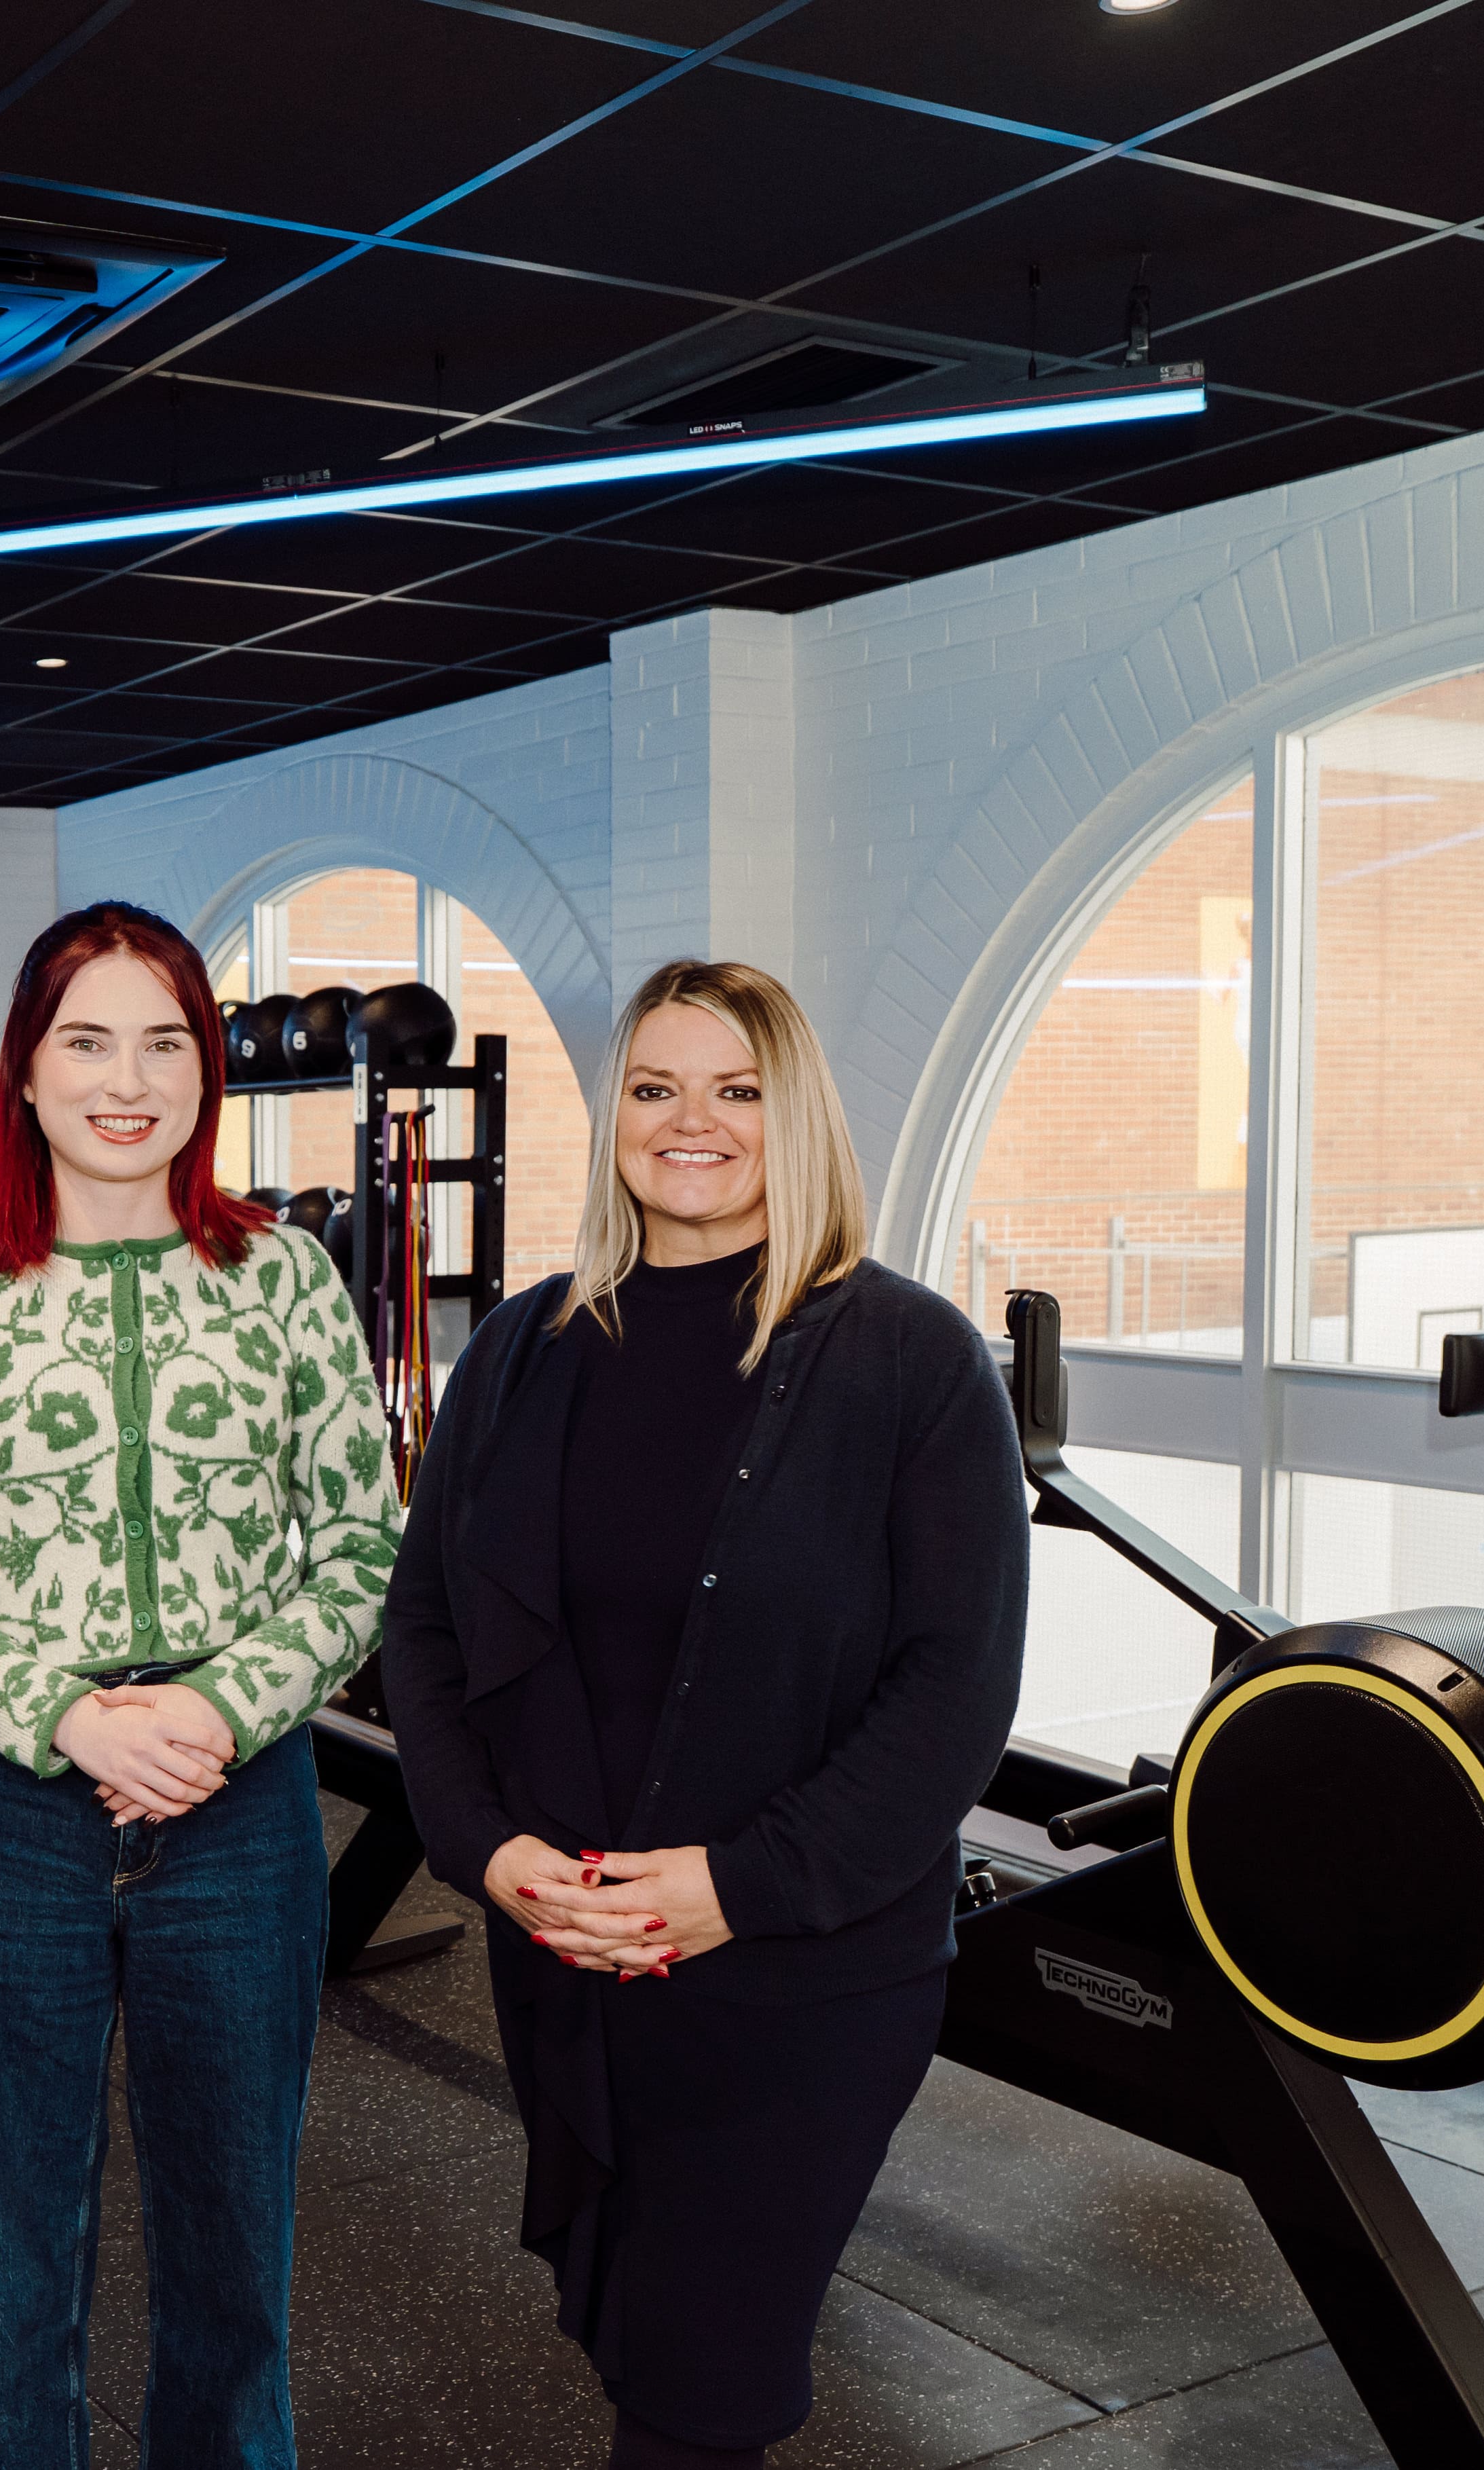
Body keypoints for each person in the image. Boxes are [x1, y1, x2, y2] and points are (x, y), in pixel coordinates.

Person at [379, 960, 1026, 2470]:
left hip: (801, 1974)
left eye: (738, 1089)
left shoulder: (910, 1357)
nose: (694, 1121)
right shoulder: (522, 1348)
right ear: (614, 1115)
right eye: (656, 1087)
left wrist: (737, 1885)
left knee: (702, 2386)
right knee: (636, 2331)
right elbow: (426, 1625)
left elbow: (956, 1685)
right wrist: (489, 1851)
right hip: (567, 1948)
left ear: (795, 1117)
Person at [0, 903, 396, 2470]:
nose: (127, 1079)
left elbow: (361, 1541)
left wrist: (221, 1708)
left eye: (165, 1042)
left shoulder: (282, 1277)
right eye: (87, 1040)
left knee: (236, 2250)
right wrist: (69, 1714)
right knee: (9, 2247)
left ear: (207, 1070)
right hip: (10, 1811)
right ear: (24, 1069)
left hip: (241, 1807)